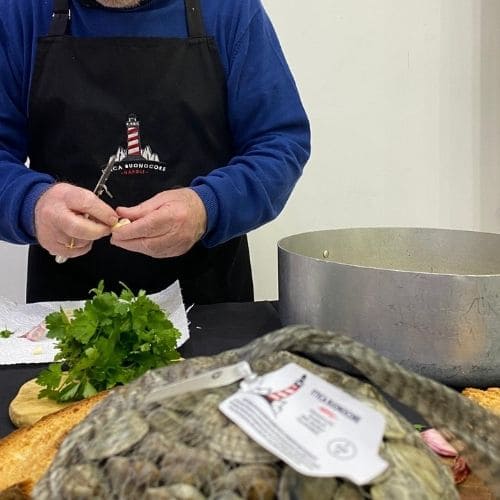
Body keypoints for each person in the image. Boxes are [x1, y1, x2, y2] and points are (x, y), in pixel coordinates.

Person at [0, 0, 310, 305]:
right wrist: (31, 204)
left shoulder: (229, 9)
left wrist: (208, 207)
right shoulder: (21, 11)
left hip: (208, 302)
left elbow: (279, 142)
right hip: (66, 310)